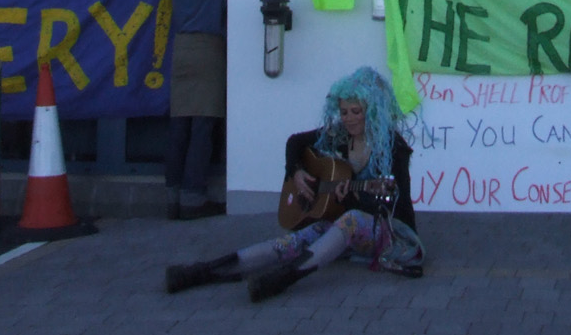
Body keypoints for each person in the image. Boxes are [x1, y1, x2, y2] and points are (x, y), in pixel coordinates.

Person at [163, 66, 423, 302]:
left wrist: (357, 199)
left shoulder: (393, 147)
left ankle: (283, 279)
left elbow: (397, 204)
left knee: (351, 218)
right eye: (344, 112)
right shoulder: (340, 135)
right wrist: (296, 172)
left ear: (372, 111)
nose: (349, 118)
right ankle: (203, 271)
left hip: (392, 232)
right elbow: (295, 142)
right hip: (347, 226)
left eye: (356, 112)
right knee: (294, 240)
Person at [165, 0, 225, 220]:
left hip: (181, 46)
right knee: (203, 125)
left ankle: (172, 195)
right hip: (209, 49)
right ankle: (194, 198)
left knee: (180, 124)